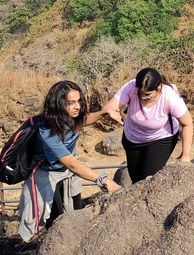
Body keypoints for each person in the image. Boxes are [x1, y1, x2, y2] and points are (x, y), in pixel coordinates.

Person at [18, 80, 121, 241]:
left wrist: (104, 112)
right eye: (70, 103)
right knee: (46, 218)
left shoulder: (71, 118)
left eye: (79, 101)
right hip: (47, 174)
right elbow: (72, 164)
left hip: (66, 172)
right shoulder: (47, 131)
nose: (77, 106)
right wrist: (103, 179)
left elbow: (85, 120)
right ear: (58, 104)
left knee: (74, 210)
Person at [102, 68, 193, 183]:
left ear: (159, 88)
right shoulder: (131, 87)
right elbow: (108, 107)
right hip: (133, 138)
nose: (143, 97)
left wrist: (185, 155)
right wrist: (110, 112)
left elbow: (187, 124)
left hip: (161, 138)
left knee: (148, 179)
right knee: (135, 178)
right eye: (140, 93)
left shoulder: (169, 97)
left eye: (148, 94)